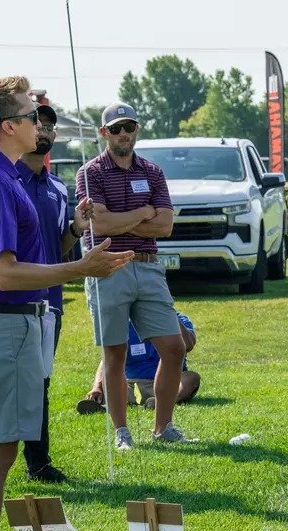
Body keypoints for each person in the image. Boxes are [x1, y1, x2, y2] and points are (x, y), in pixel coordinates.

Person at [0, 76, 131, 531]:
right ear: (9, 127)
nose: (39, 122)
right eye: (31, 114)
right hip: (4, 327)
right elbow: (5, 274)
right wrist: (81, 267)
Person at [76, 102, 189, 449]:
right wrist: (142, 212)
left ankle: (163, 427)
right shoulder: (90, 172)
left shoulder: (153, 171)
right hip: (108, 266)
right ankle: (122, 433)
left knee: (174, 347)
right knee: (115, 352)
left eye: (129, 126)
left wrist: (122, 219)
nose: (123, 133)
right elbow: (101, 225)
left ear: (136, 129)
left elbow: (166, 225)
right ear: (104, 133)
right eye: (116, 128)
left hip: (149, 265)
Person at [14, 104, 83, 483]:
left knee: (40, 380)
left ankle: (38, 462)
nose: (43, 130)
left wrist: (76, 227)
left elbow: (61, 249)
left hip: (50, 303)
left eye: (50, 126)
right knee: (15, 383)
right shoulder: (6, 180)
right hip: (13, 300)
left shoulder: (58, 187)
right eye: (36, 123)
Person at [81, 312, 200, 412]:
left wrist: (169, 315)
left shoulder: (178, 318)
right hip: (130, 385)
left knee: (191, 378)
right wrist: (96, 386)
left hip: (168, 383)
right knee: (111, 379)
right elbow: (107, 358)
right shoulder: (123, 323)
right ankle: (101, 404)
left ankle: (160, 401)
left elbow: (188, 344)